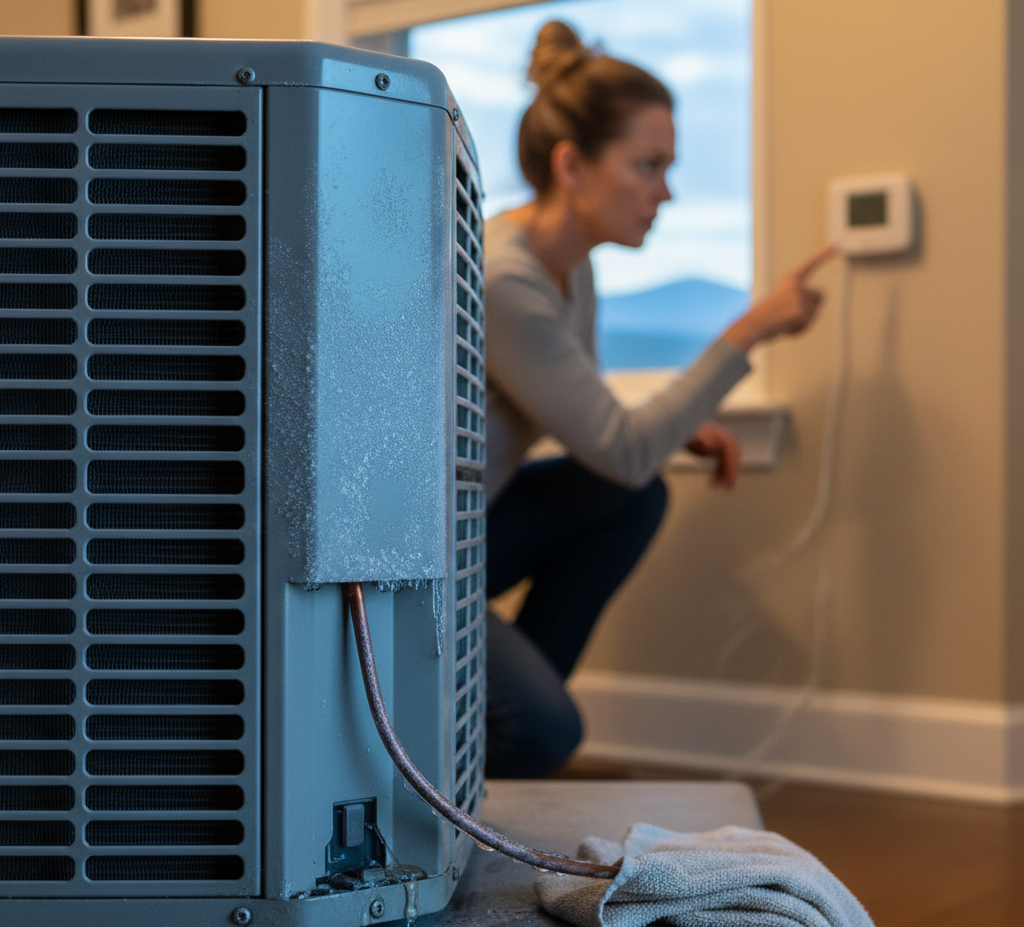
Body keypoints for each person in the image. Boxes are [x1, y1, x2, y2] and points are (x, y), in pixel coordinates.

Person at [484, 20, 834, 778]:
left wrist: (681, 426)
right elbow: (621, 443)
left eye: (666, 166)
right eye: (648, 165)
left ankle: (488, 709)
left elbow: (592, 424)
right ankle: (507, 728)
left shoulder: (570, 268)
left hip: (475, 527)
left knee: (630, 495)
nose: (665, 191)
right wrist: (749, 332)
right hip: (418, 564)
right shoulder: (505, 278)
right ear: (572, 165)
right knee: (546, 731)